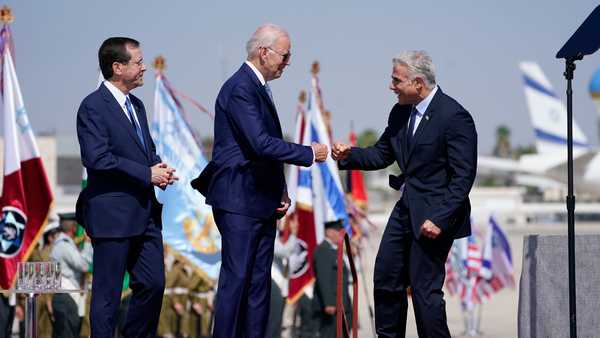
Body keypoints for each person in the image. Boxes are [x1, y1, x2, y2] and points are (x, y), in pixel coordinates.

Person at [332, 50, 477, 337]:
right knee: (386, 278)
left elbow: (463, 177)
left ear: (418, 83)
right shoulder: (400, 113)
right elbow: (382, 153)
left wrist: (440, 218)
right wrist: (348, 156)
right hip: (406, 210)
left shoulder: (454, 116)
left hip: (436, 218)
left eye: (396, 80)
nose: (391, 86)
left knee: (424, 292)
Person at [198, 23, 328, 338]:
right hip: (238, 199)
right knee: (237, 279)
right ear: (264, 51)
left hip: (261, 200)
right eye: (284, 56)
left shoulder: (259, 88)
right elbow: (259, 143)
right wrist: (307, 153)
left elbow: (264, 149)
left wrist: (280, 189)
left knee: (258, 283)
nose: (287, 63)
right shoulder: (241, 87)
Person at [75, 36, 177, 338]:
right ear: (118, 67)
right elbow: (97, 158)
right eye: (138, 62)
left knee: (154, 283)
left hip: (144, 215)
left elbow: (143, 151)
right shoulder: (93, 107)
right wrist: (146, 174)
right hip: (112, 215)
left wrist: (159, 167)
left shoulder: (138, 105)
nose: (144, 67)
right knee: (107, 295)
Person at [50, 212, 93, 338]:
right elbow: (84, 265)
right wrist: (87, 243)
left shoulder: (63, 243)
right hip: (66, 297)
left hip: (65, 297)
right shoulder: (64, 245)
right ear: (74, 227)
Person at [312, 220, 352, 338]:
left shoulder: (334, 250)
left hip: (341, 304)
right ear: (329, 232)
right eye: (338, 231)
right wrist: (329, 302)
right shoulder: (323, 250)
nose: (340, 234)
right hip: (332, 306)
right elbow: (323, 278)